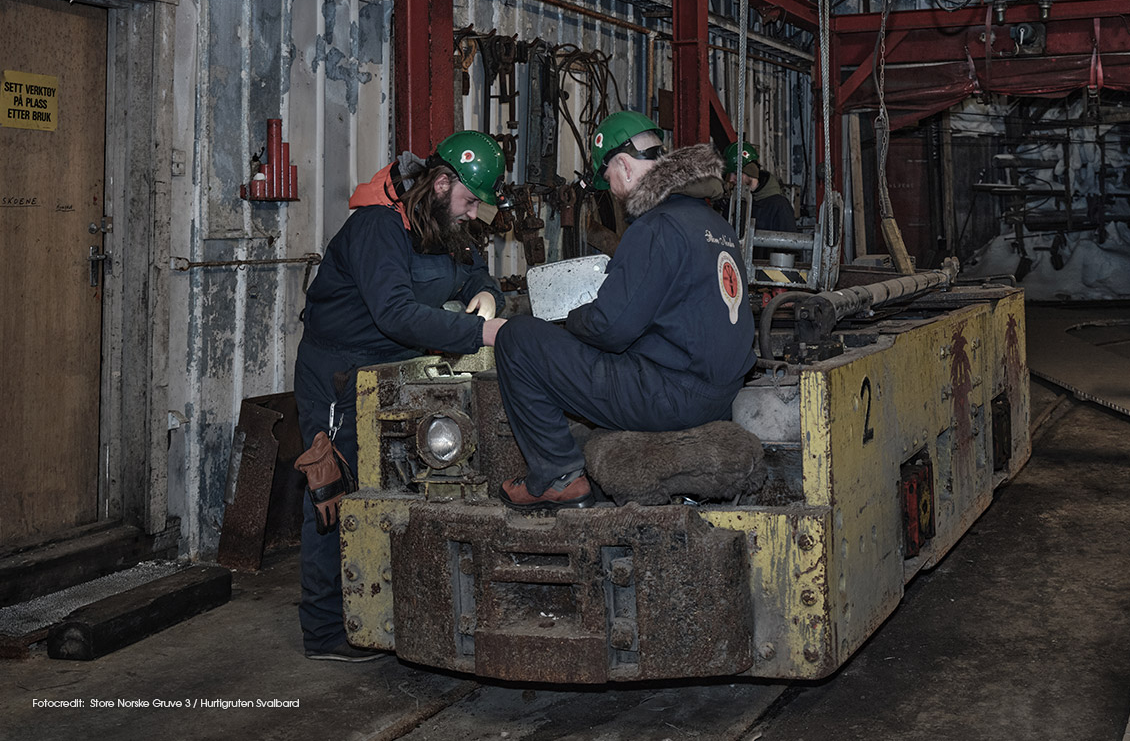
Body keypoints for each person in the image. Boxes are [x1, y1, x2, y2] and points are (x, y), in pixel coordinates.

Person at [294, 131, 508, 662]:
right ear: (440, 183)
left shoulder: (438, 222)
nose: (472, 214)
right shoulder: (378, 227)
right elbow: (394, 312)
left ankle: (386, 607)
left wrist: (486, 292)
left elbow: (471, 270)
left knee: (398, 489)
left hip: (398, 370)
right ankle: (324, 632)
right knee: (332, 492)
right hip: (340, 375)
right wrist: (481, 334)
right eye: (467, 201)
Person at [495, 112, 756, 509]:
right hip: (718, 394)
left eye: (610, 181)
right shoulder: (711, 222)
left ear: (622, 165)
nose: (613, 192)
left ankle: (557, 477)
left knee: (518, 339)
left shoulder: (656, 227)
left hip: (671, 398)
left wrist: (573, 318)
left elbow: (609, 327)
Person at [724, 141, 798, 232]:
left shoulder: (779, 206)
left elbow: (789, 243)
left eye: (736, 173)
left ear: (751, 172)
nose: (731, 179)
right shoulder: (733, 204)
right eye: (729, 174)